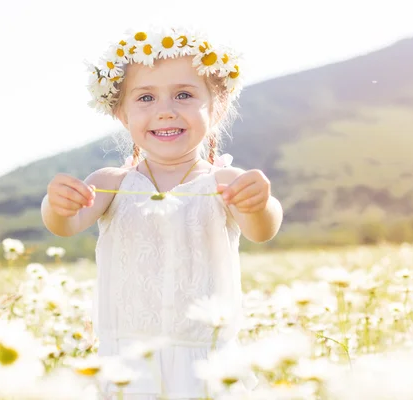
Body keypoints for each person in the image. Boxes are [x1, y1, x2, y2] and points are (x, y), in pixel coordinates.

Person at [41, 27, 283, 399]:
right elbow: (66, 225)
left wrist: (260, 202)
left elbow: (263, 229)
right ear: (121, 113)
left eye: (184, 95)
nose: (165, 111)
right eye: (146, 98)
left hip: (205, 363)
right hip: (128, 362)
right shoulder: (112, 183)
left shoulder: (224, 181)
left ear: (216, 108)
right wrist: (56, 204)